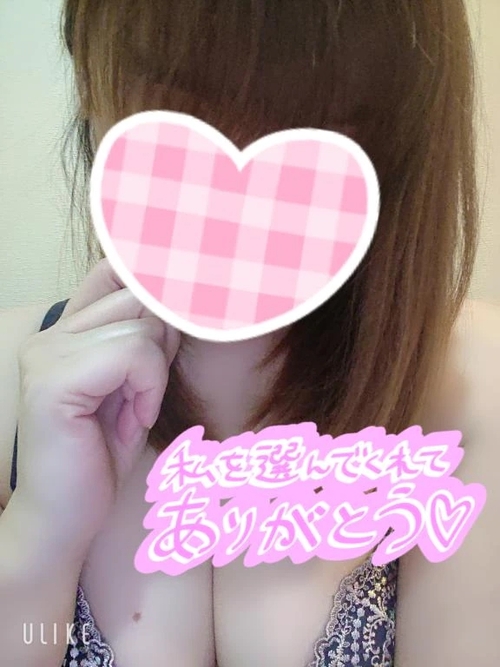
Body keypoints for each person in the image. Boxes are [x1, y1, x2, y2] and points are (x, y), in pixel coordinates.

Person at [0, 1, 499, 665]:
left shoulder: (471, 388)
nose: (239, 190)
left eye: (319, 127)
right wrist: (40, 538)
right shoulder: (15, 378)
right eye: (179, 103)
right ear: (91, 79)